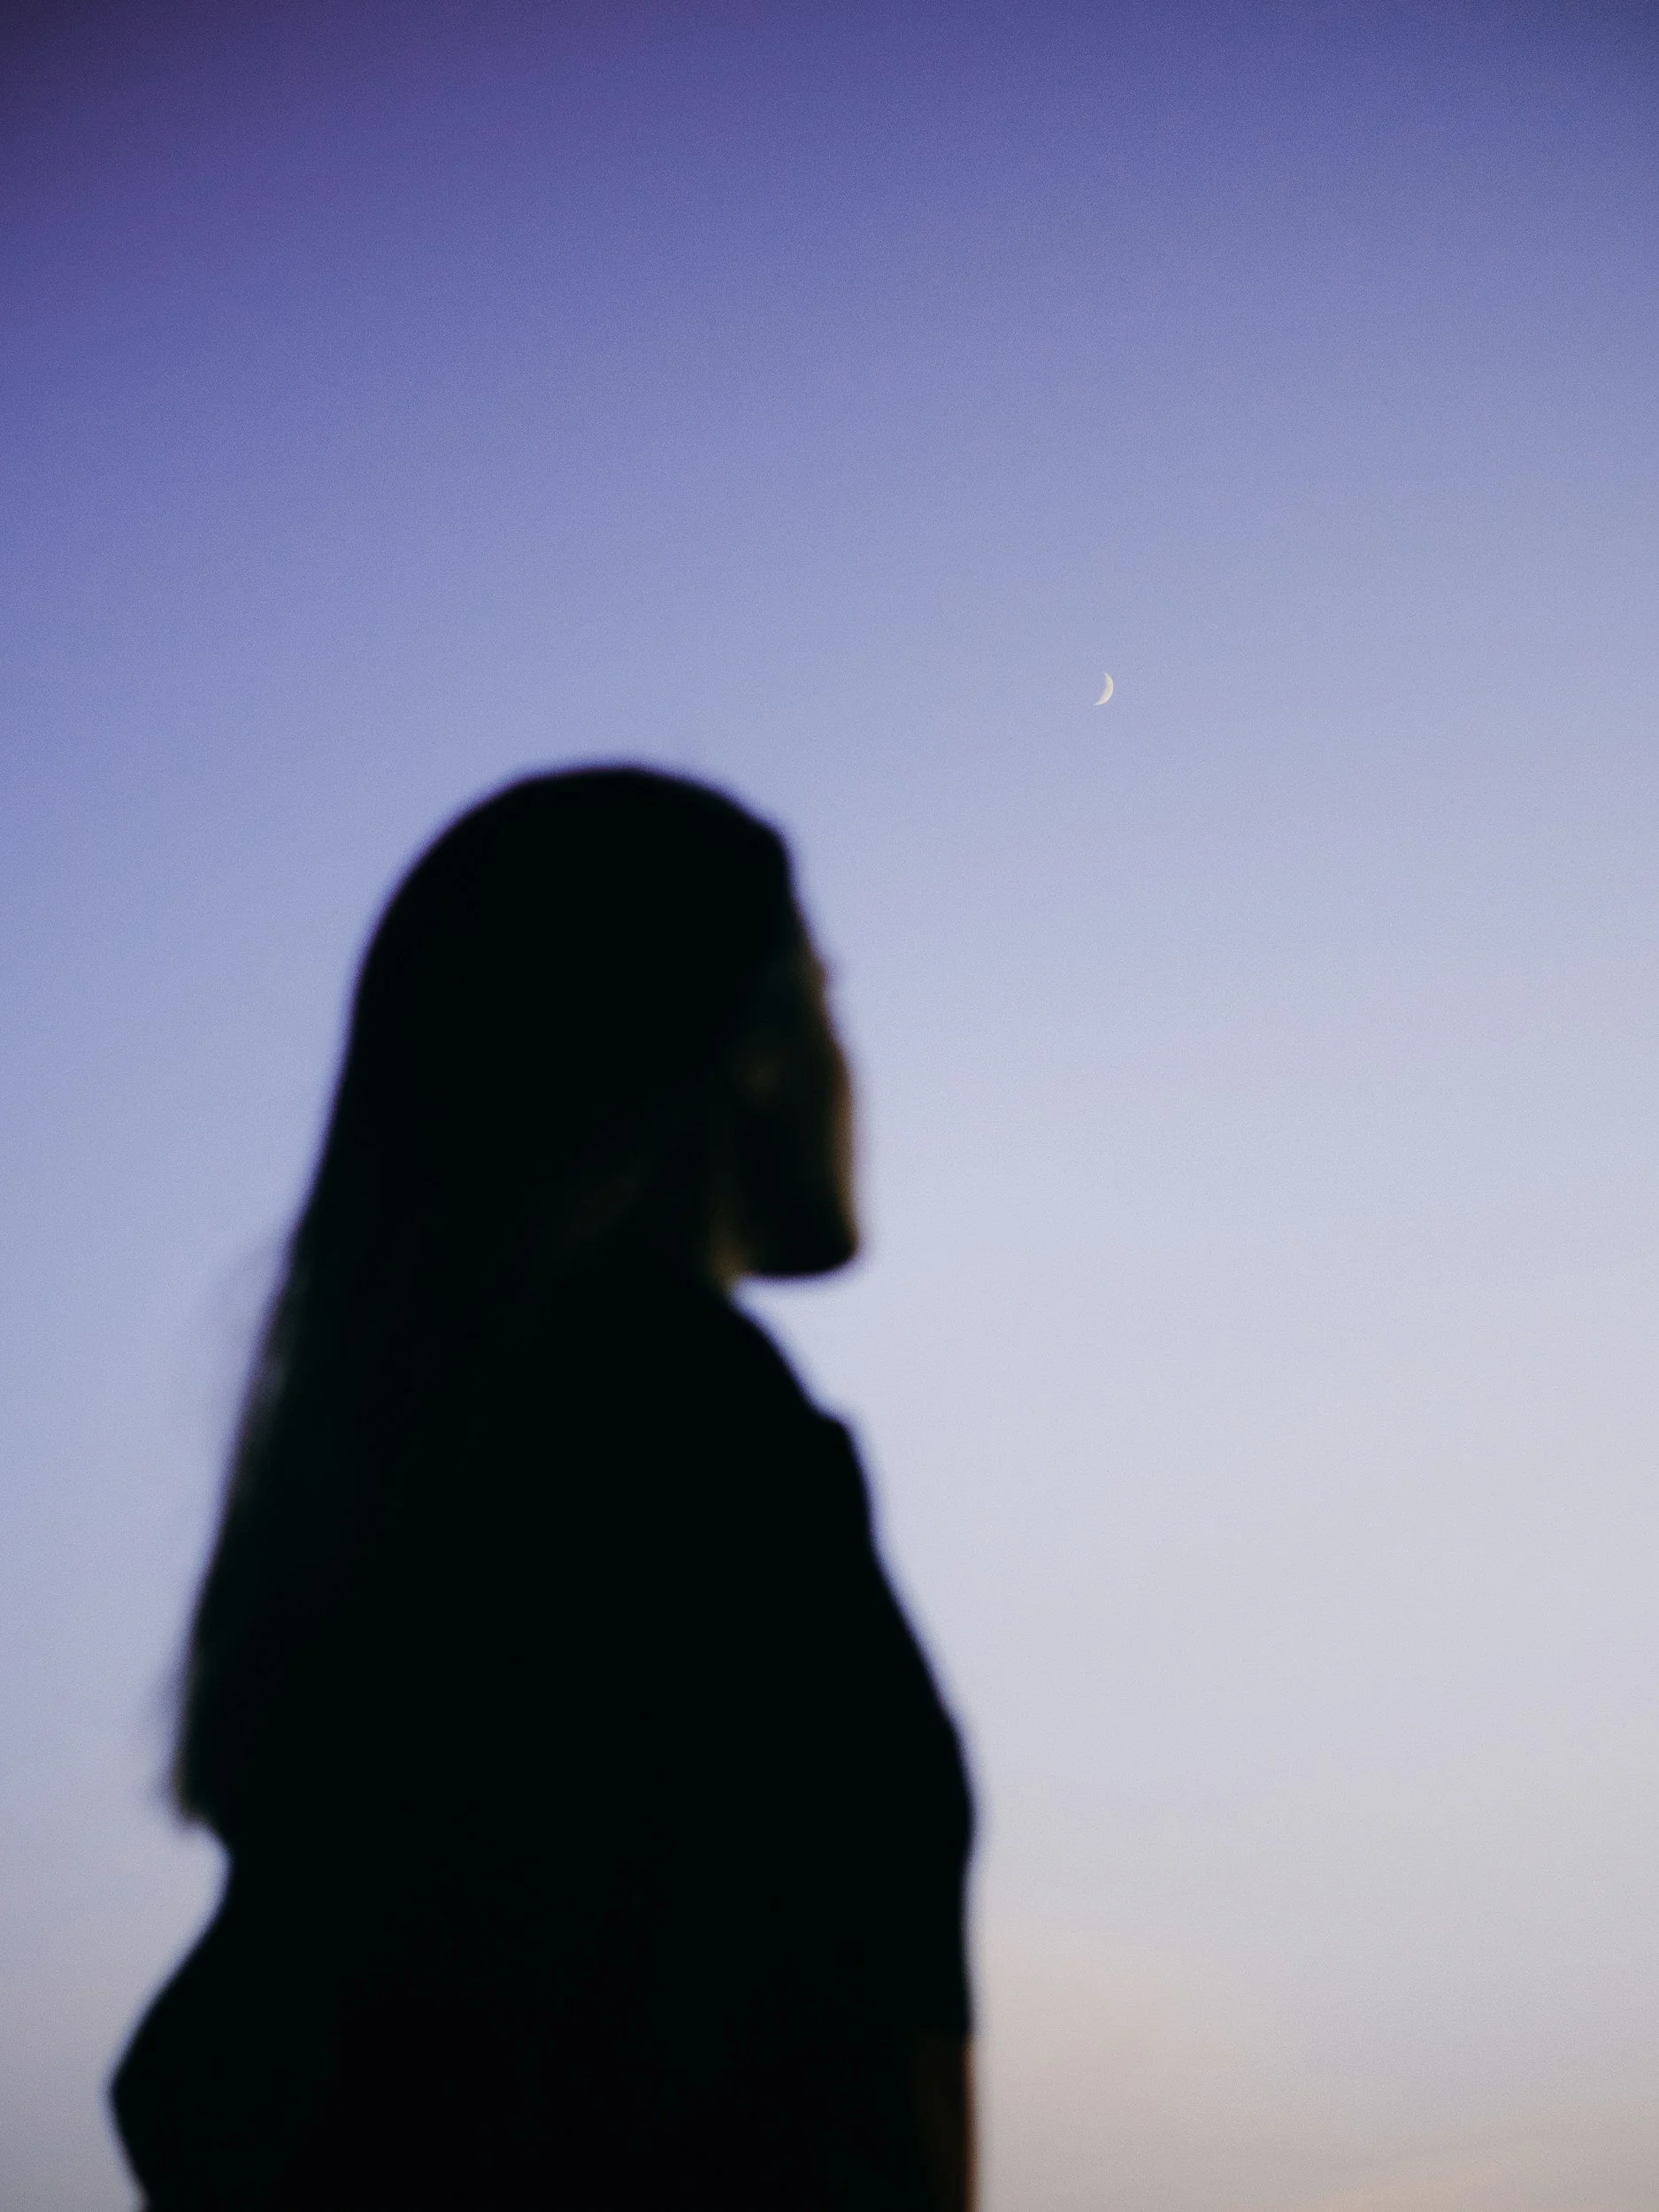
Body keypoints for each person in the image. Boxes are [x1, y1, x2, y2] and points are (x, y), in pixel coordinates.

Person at [111, 766, 975, 2212]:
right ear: (748, 1042)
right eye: (824, 992)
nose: (849, 1060)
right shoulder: (699, 1450)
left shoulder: (421, 1514)